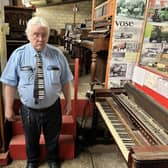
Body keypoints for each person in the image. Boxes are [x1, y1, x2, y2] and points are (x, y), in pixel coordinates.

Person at [0, 16, 73, 168]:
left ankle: (53, 159)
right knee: (31, 138)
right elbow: (10, 84)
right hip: (28, 110)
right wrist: (8, 108)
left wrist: (68, 102)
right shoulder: (18, 55)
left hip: (52, 107)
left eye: (44, 35)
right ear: (28, 35)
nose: (40, 39)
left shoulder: (57, 55)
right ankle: (32, 161)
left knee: (53, 137)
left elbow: (65, 81)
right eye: (36, 35)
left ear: (48, 35)